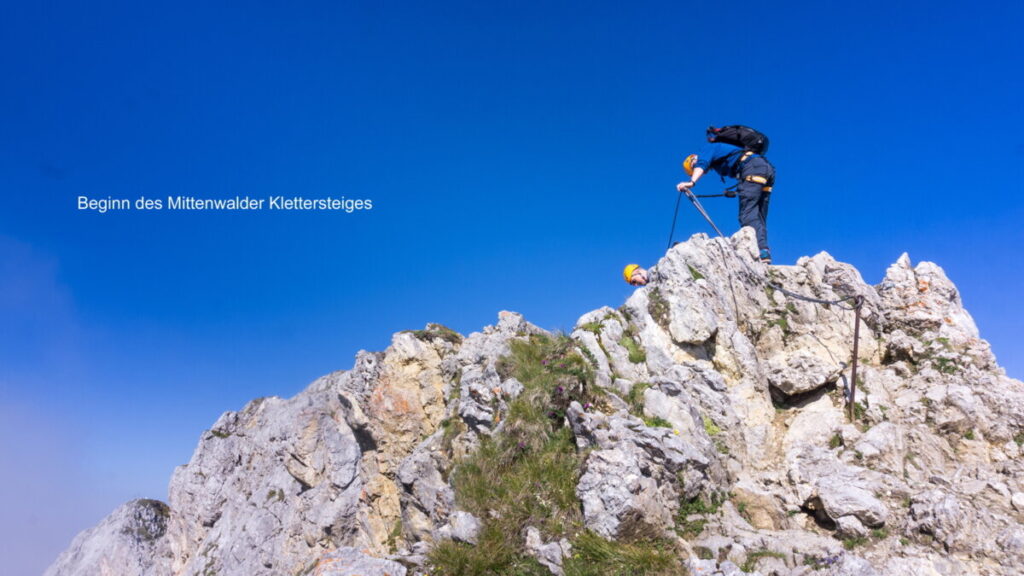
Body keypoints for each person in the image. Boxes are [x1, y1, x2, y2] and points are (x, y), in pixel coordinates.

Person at [676, 128, 775, 263]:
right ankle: (764, 251)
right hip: (765, 169)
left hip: (752, 169)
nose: (702, 172)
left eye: (693, 168)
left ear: (692, 160)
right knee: (758, 215)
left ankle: (757, 253)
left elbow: (702, 164)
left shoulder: (707, 149)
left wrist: (691, 182)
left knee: (747, 215)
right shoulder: (725, 150)